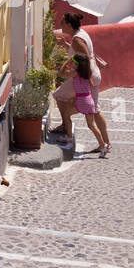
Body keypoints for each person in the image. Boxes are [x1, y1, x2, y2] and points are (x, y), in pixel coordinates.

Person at [50, 11, 104, 146]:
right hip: (93, 74)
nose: (60, 24)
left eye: (62, 22)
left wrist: (83, 76)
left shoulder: (77, 39)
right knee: (95, 110)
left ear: (68, 24)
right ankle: (105, 143)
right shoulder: (81, 34)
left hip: (85, 75)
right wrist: (66, 45)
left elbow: (84, 56)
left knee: (59, 95)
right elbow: (80, 52)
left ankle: (65, 127)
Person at [71, 53, 110, 158]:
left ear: (78, 65)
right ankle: (103, 145)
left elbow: (61, 73)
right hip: (89, 100)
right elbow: (92, 85)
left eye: (73, 62)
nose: (71, 63)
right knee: (91, 125)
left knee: (66, 113)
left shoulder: (76, 74)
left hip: (83, 101)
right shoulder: (87, 74)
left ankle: (103, 145)